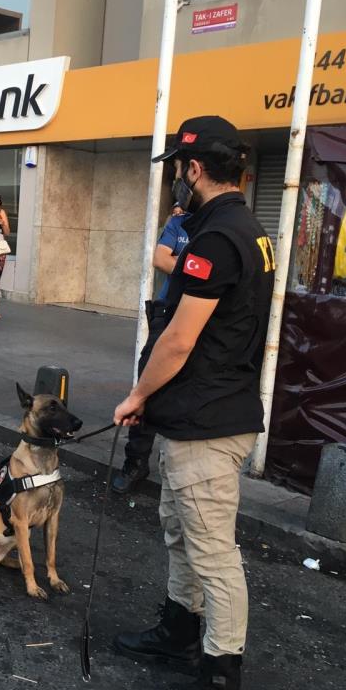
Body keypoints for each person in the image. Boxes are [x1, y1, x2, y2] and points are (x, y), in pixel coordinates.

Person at [111, 116, 274, 690]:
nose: (177, 179)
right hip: (200, 414)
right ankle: (179, 631)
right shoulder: (245, 228)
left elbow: (179, 339)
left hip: (207, 418)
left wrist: (137, 395)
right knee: (182, 532)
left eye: (179, 169)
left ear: (195, 169)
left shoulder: (215, 237)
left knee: (212, 549)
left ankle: (221, 669)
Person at [112, 203, 190, 494]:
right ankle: (135, 462)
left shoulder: (218, 226)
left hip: (204, 319)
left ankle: (176, 466)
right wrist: (201, 269)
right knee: (148, 383)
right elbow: (161, 258)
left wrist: (183, 264)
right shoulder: (178, 223)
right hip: (168, 311)